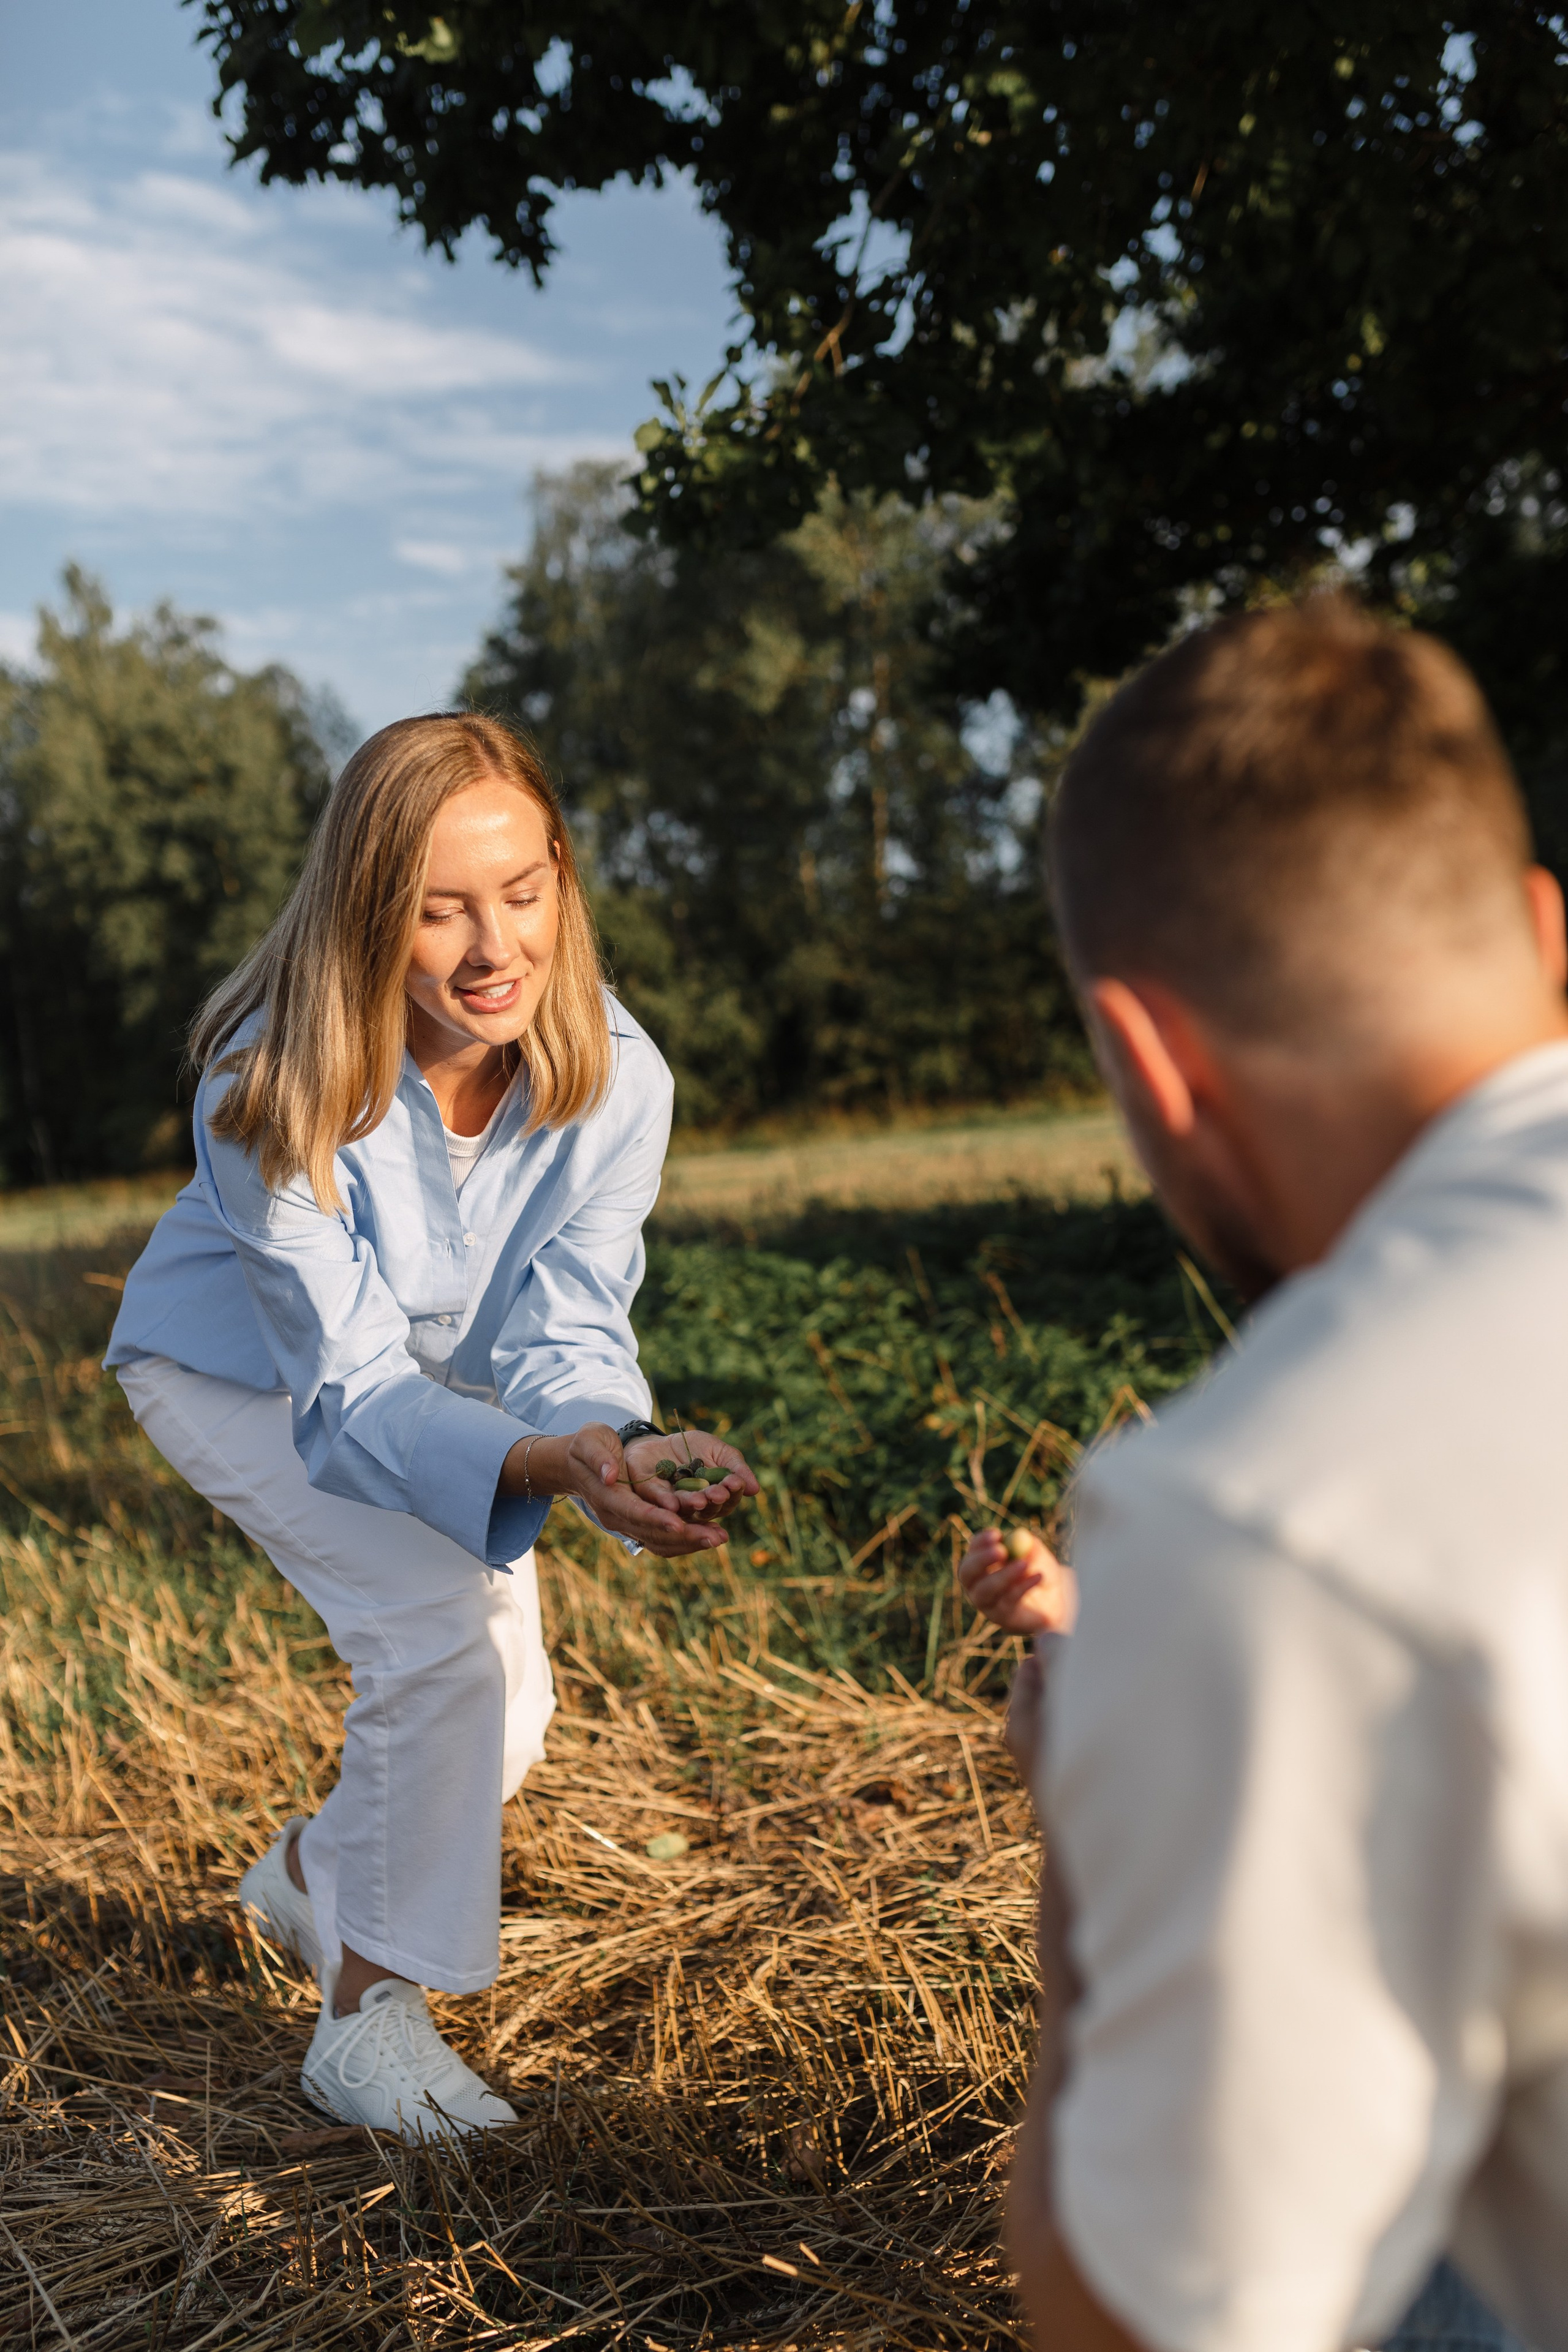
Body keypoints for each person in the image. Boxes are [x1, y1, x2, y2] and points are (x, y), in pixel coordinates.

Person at [958, 598, 1568, 2352]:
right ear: (1541, 931)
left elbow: (1141, 2317)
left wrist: (1094, 1829)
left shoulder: (1257, 1512)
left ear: (1154, 1066)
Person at [107, 712, 756, 2142]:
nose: (493, 949)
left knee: (509, 1705)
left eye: (520, 893)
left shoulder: (619, 1078)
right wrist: (537, 1463)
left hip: (421, 1384)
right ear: (365, 911)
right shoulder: (269, 1083)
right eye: (438, 909)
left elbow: (568, 1329)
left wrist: (613, 1444)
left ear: (562, 873)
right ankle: (364, 2022)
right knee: (440, 1639)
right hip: (236, 1375)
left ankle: (311, 1874)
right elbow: (343, 1387)